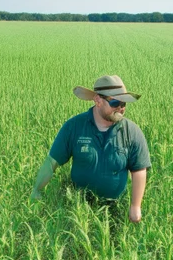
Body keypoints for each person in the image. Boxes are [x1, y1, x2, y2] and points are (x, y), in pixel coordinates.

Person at [31, 75, 151, 223]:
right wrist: (36, 190)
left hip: (115, 208)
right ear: (98, 100)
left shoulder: (132, 132)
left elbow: (139, 170)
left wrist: (135, 206)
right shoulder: (74, 126)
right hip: (77, 208)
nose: (121, 108)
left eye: (124, 103)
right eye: (115, 102)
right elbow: (52, 162)